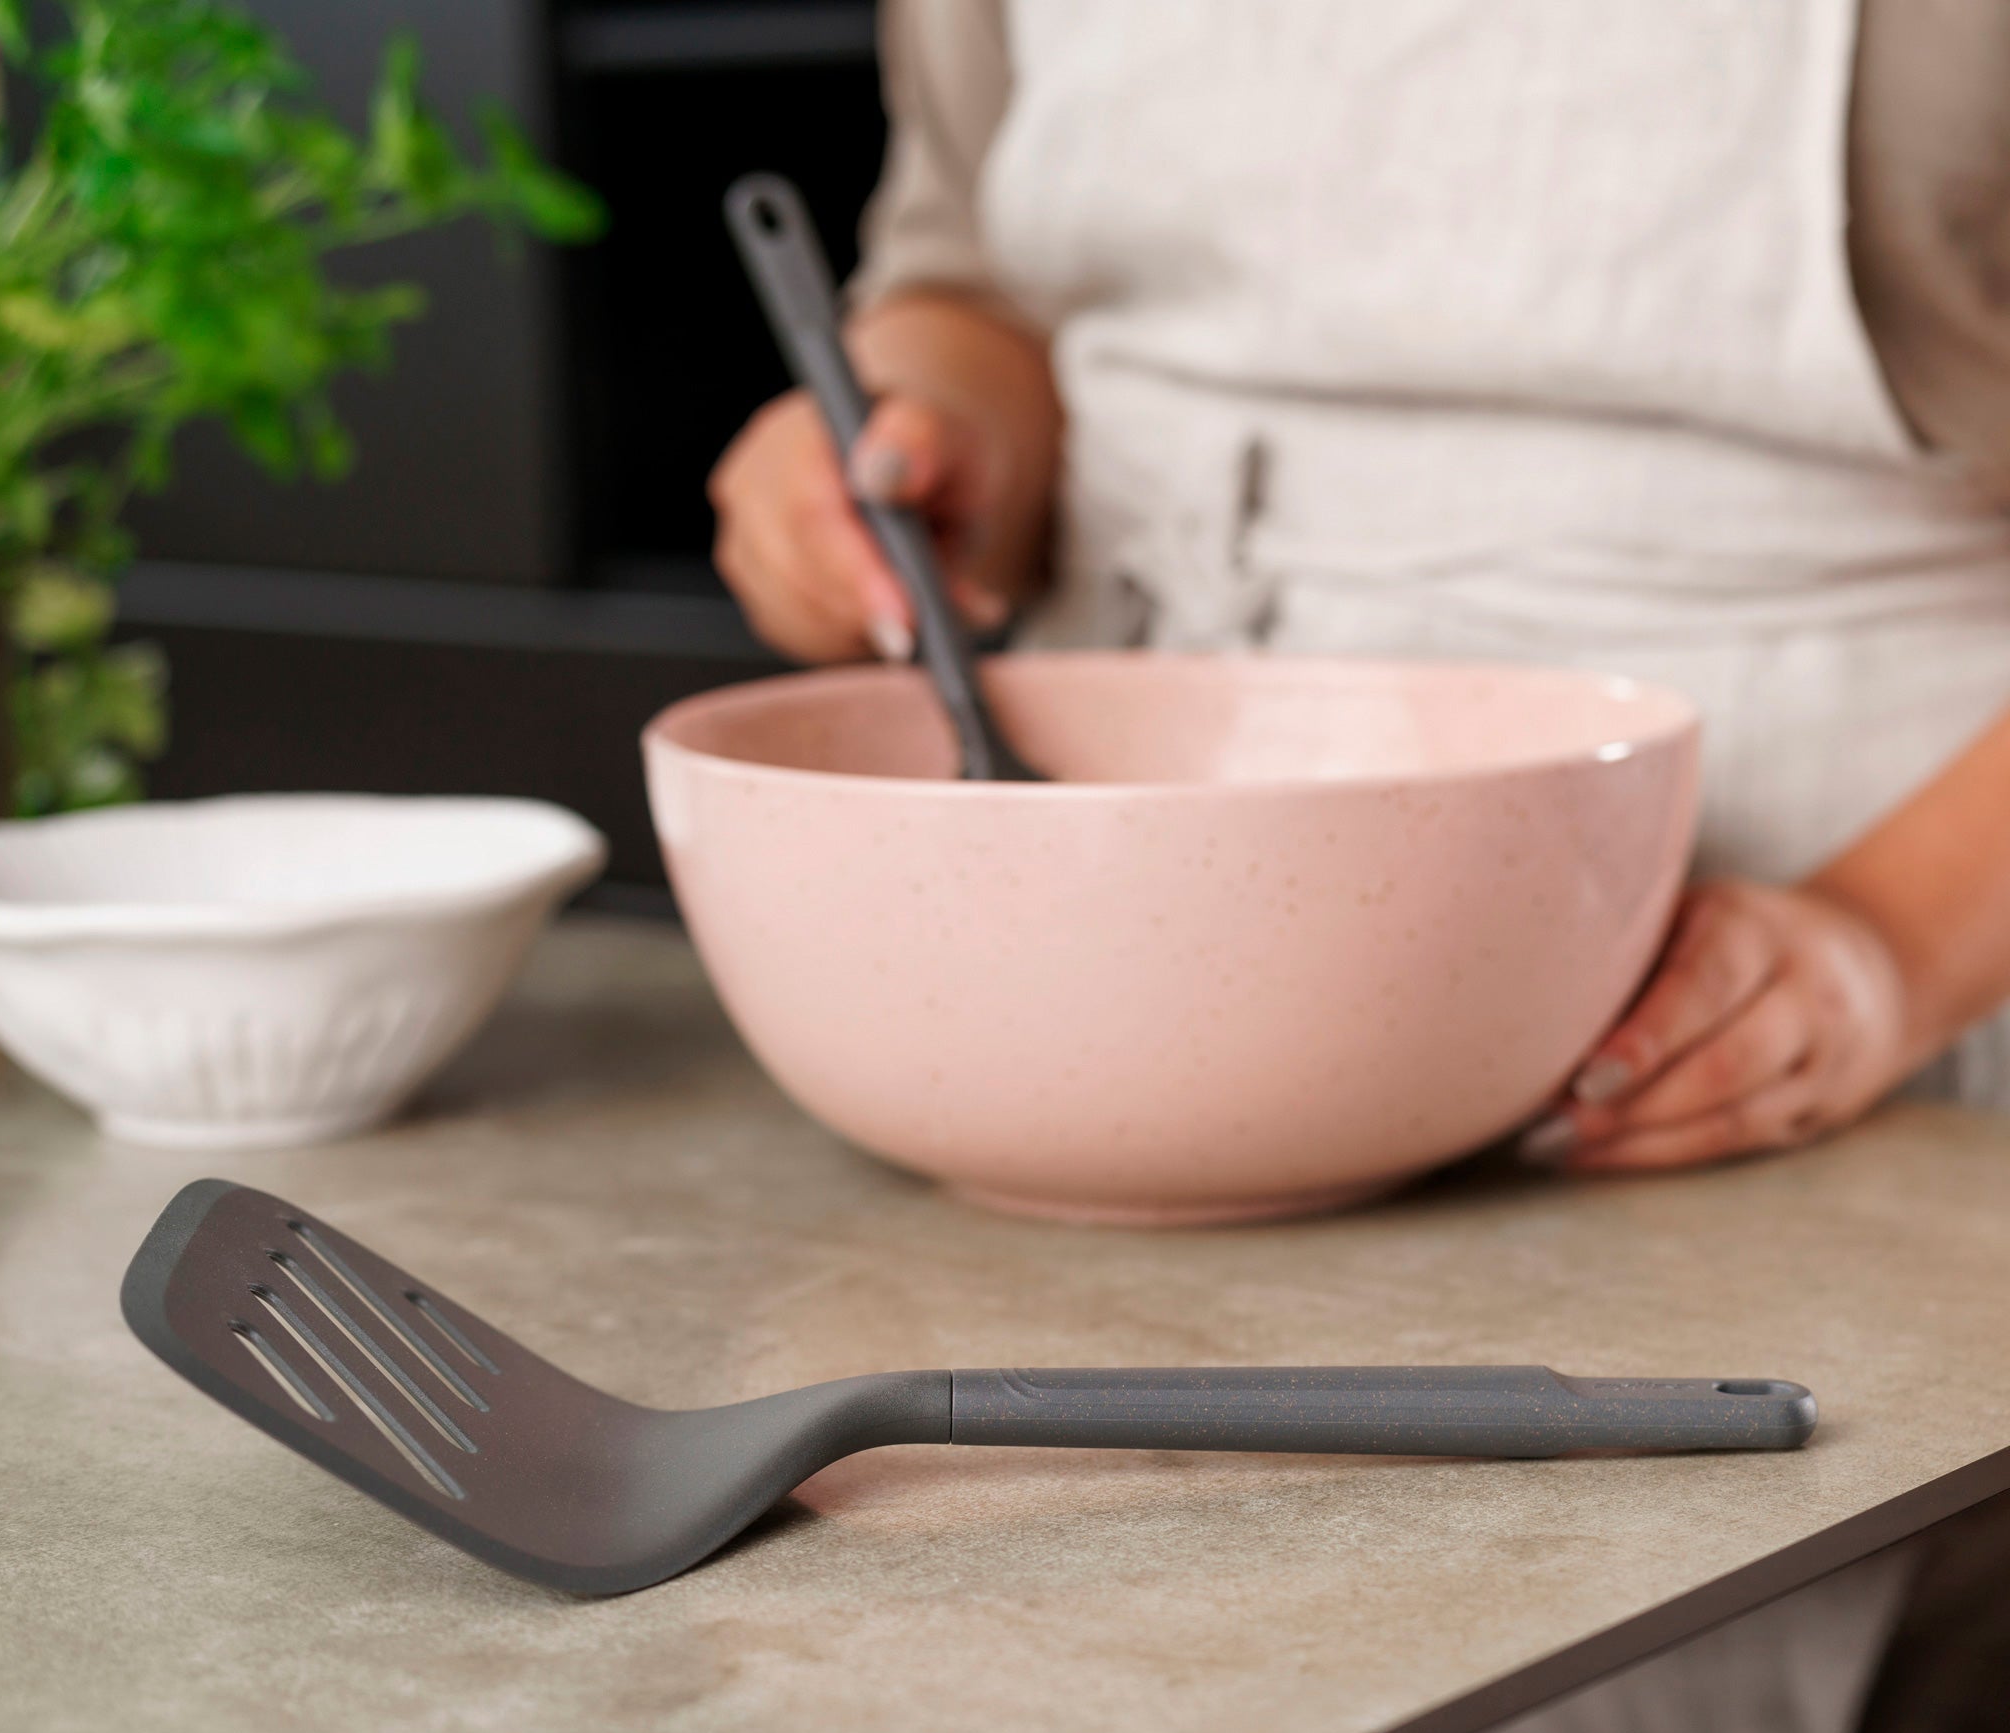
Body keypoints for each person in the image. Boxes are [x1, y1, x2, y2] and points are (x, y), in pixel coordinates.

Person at [709, 0, 2010, 1174]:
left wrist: (1886, 948)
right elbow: (982, 284)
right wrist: (927, 445)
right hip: (1102, 946)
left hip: (1835, 997)